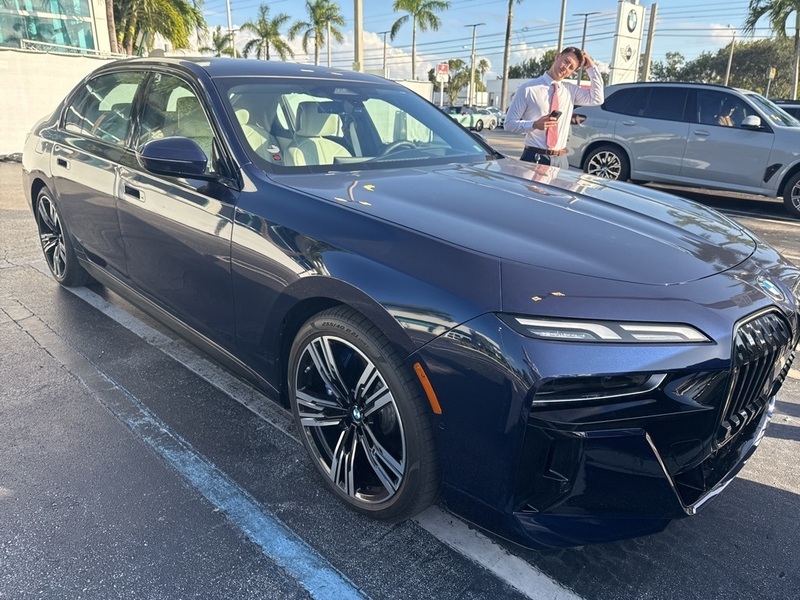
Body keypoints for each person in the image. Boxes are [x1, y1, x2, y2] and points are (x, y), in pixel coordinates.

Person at [505, 47, 604, 168]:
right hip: (534, 157)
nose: (565, 68)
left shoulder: (570, 90)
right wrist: (534, 125)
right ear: (557, 56)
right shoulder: (528, 89)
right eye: (566, 61)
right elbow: (509, 124)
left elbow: (597, 98)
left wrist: (591, 67)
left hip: (560, 160)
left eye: (571, 68)